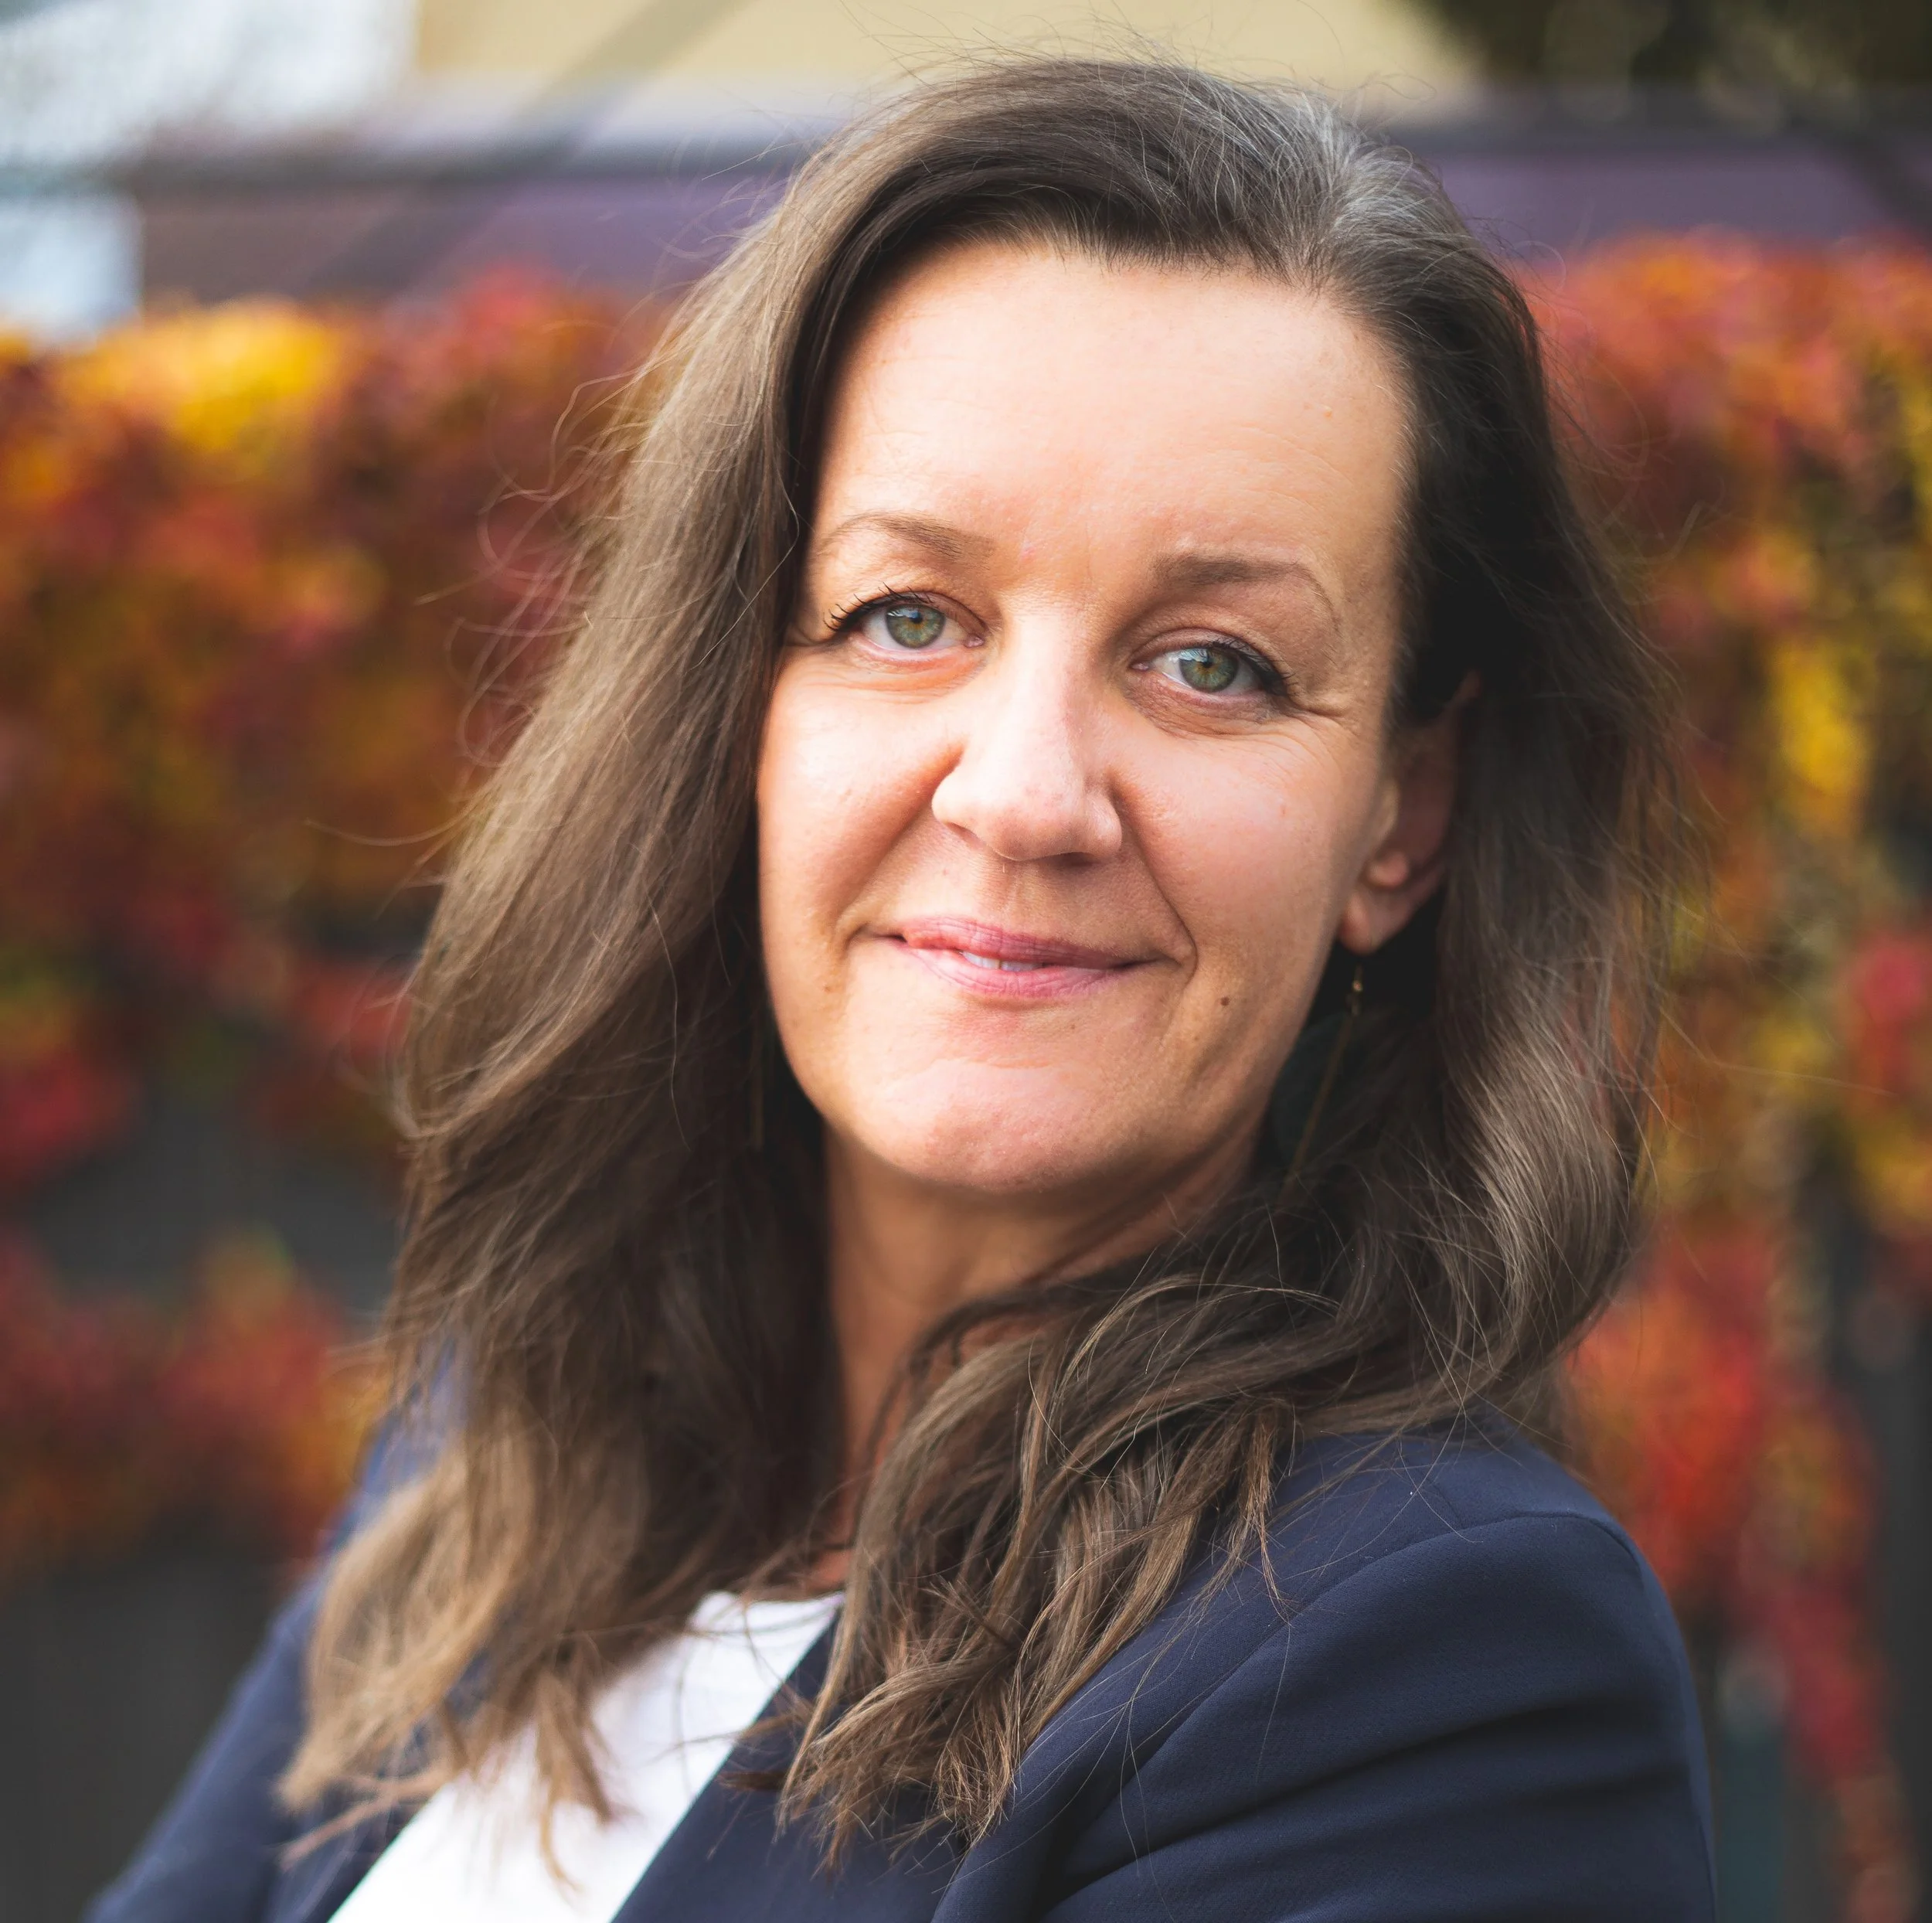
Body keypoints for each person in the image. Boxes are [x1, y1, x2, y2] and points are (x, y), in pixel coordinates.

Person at [91, 57, 1714, 1923]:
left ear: (1399, 817)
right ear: (735, 708)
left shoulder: (1430, 1658)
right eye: (907, 616)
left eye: (1211, 661)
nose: (1021, 794)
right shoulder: (521, 1441)